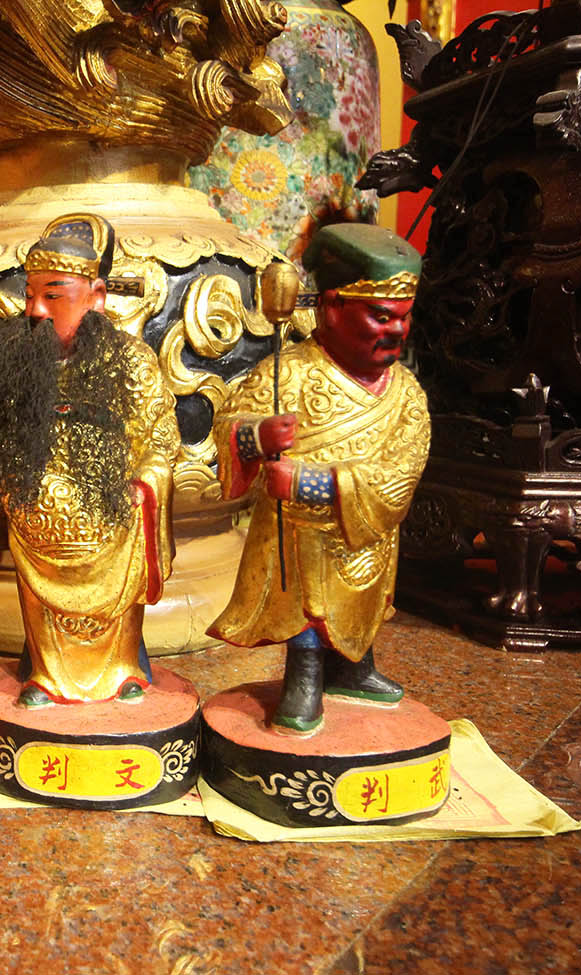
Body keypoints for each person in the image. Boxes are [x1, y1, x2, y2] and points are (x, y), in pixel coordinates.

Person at [208, 223, 429, 734]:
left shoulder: (407, 393)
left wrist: (312, 484)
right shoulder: (289, 373)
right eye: (381, 316)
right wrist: (258, 436)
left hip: (365, 535)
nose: (396, 330)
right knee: (305, 606)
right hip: (296, 539)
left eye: (404, 317)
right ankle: (303, 677)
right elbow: (227, 428)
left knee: (364, 601)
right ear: (332, 308)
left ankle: (355, 668)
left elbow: (401, 473)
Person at [0, 213, 180, 707]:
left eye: (53, 296)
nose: (35, 310)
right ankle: (45, 673)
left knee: (117, 583)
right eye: (30, 295)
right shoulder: (19, 361)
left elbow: (161, 439)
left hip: (110, 514)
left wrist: (144, 483)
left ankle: (123, 668)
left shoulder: (130, 362)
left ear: (96, 296)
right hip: (38, 520)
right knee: (39, 596)